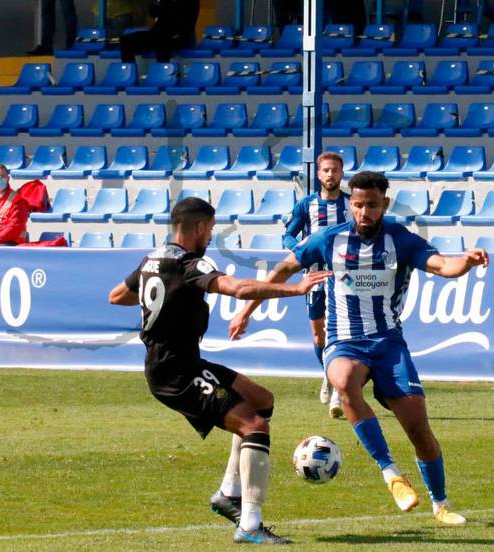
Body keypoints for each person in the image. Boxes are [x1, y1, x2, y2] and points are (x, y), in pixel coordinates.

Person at [230, 171, 490, 526]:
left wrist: (468, 263)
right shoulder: (328, 239)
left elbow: (444, 265)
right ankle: (391, 474)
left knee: (419, 430)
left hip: (388, 343)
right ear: (350, 204)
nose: (364, 212)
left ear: (384, 202)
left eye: (371, 204)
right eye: (357, 204)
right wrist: (246, 310)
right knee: (343, 380)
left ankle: (441, 504)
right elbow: (283, 269)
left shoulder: (401, 240)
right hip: (344, 341)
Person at [109, 197, 329, 545]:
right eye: (210, 230)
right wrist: (297, 288)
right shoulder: (188, 264)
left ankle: (228, 493)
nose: (210, 236)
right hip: (175, 372)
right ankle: (250, 525)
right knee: (254, 426)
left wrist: (160, 297)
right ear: (198, 228)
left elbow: (117, 295)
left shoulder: (154, 259)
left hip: (184, 363)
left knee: (261, 401)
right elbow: (239, 288)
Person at [283, 151, 350, 418]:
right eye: (325, 170)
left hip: (343, 277)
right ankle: (328, 374)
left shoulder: (351, 204)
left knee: (340, 333)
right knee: (318, 336)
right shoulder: (306, 205)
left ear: (341, 173)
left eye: (335, 170)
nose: (330, 174)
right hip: (314, 277)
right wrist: (300, 250)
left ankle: (338, 388)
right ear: (319, 174)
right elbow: (288, 234)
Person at [120, 0, 199, 63]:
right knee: (125, 40)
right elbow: (153, 12)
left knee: (164, 40)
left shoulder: (191, 1)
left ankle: (163, 74)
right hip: (159, 33)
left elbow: (188, 25)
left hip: (180, 36)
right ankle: (128, 72)